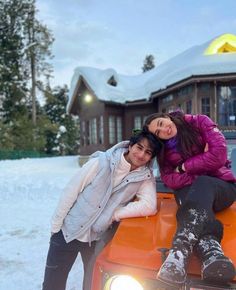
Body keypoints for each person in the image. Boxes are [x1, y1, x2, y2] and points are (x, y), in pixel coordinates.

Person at [42, 130, 162, 290]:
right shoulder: (101, 162)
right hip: (68, 231)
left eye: (147, 153)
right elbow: (71, 191)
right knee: (53, 284)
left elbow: (149, 205)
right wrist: (56, 228)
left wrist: (114, 214)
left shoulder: (144, 177)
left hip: (97, 238)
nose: (141, 155)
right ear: (130, 145)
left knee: (93, 284)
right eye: (139, 148)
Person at [144, 111, 236, 286]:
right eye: (158, 132)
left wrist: (184, 166)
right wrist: (203, 169)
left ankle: (179, 251)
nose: (164, 129)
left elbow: (219, 155)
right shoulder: (164, 152)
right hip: (189, 194)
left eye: (161, 123)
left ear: (167, 117)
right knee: (192, 188)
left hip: (223, 188)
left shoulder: (200, 122)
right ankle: (211, 252)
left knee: (202, 184)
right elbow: (169, 179)